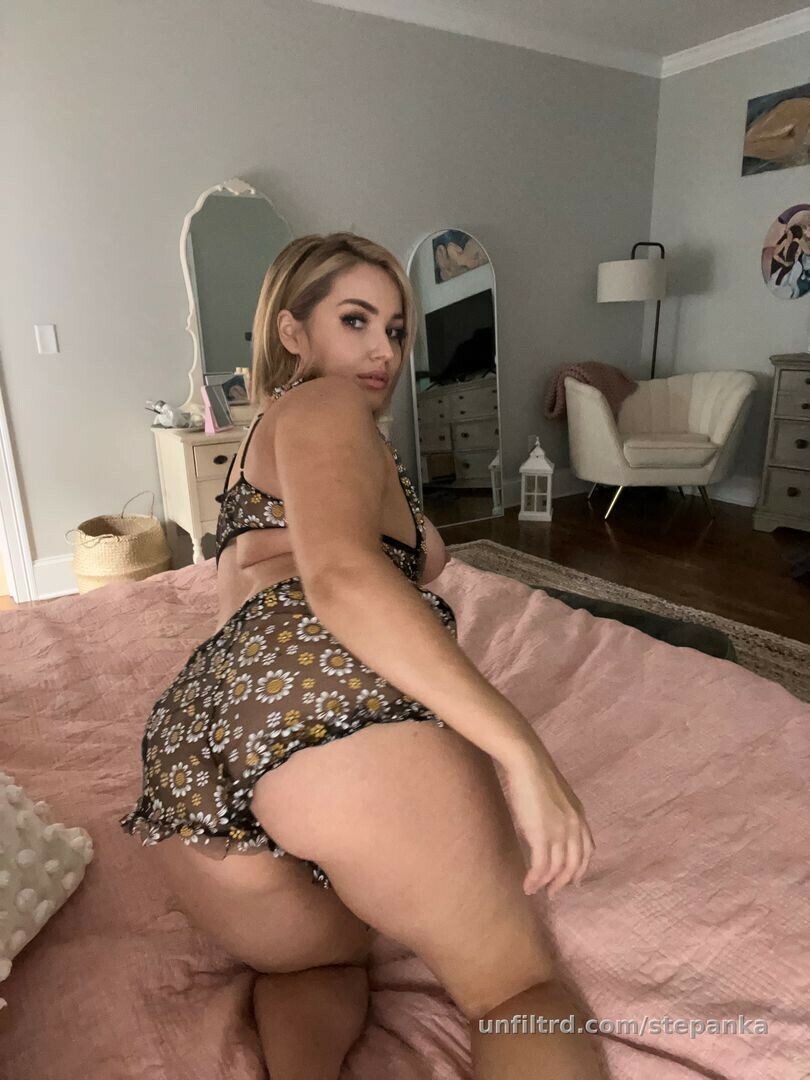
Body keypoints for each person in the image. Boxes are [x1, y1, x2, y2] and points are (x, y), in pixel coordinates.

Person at [120, 232, 605, 1079]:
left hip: (201, 747)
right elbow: (341, 577)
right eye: (355, 320)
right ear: (293, 332)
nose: (382, 349)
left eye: (396, 329)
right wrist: (523, 753)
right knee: (517, 989)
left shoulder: (267, 445)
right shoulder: (324, 405)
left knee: (318, 964)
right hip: (318, 690)